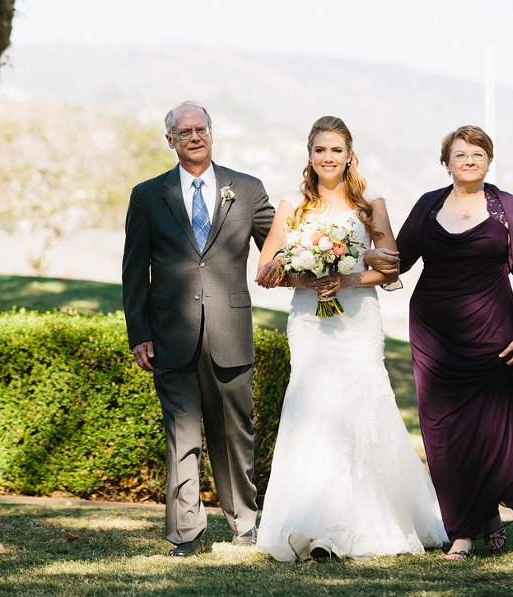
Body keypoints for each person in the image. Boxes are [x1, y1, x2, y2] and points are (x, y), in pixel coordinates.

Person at [251, 116, 447, 561]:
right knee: (309, 406)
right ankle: (307, 522)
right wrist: (307, 276)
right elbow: (266, 271)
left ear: (349, 155)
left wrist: (347, 279)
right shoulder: (291, 207)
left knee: (362, 405)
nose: (328, 158)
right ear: (309, 155)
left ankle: (369, 522)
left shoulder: (370, 206)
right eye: (320, 149)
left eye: (336, 150)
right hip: (310, 324)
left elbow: (391, 268)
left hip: (357, 321)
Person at [366, 125, 513, 560]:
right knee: (444, 433)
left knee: (490, 428)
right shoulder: (429, 205)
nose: (469, 160)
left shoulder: (508, 207)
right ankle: (463, 531)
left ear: (489, 161)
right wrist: (369, 256)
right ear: (446, 161)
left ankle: (482, 518)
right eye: (460, 154)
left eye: (477, 154)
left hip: (493, 333)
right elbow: (400, 260)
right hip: (433, 334)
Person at [121, 101, 276, 556]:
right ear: (170, 140)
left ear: (212, 133)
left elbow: (277, 247)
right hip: (170, 335)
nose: (195, 136)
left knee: (234, 433)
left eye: (202, 128)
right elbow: (134, 272)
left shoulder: (246, 189)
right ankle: (187, 534)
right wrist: (139, 333)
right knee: (182, 437)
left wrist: (319, 259)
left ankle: (244, 526)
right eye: (184, 131)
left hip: (231, 332)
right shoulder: (147, 196)